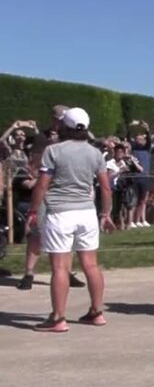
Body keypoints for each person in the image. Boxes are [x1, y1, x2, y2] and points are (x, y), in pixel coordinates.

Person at [25, 108, 115, 332]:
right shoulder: (94, 153)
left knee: (59, 267)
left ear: (65, 126)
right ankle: (96, 312)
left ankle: (58, 318)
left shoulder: (54, 150)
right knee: (91, 264)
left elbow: (42, 184)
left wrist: (33, 212)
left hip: (60, 212)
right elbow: (105, 186)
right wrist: (106, 213)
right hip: (86, 212)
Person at [16, 105, 86, 291]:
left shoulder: (71, 138)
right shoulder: (41, 138)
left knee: (66, 234)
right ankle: (29, 273)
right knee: (35, 233)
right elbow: (35, 164)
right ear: (54, 119)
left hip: (62, 192)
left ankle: (67, 272)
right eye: (60, 119)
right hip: (44, 189)